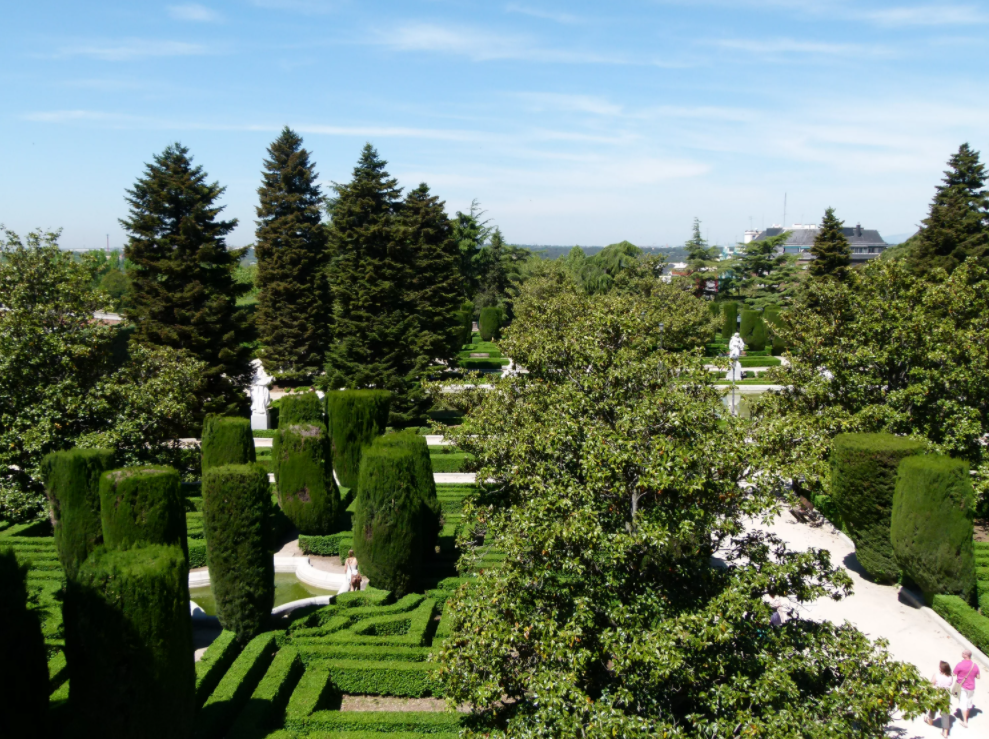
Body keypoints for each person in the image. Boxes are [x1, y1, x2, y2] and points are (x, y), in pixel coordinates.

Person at [953, 649, 981, 729]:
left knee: (963, 703)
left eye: (963, 653)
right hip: (971, 687)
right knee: (969, 703)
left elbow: (954, 674)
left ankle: (965, 721)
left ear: (966, 655)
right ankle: (966, 716)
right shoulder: (974, 665)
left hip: (962, 687)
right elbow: (978, 677)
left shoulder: (960, 664)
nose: (962, 653)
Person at [925, 661, 954, 736]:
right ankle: (945, 732)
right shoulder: (950, 677)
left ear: (941, 668)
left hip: (937, 693)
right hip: (946, 694)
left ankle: (930, 722)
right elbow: (950, 684)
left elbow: (932, 683)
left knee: (933, 708)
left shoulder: (937, 675)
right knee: (945, 713)